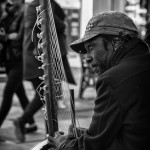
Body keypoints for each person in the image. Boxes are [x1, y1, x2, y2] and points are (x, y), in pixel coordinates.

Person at [39, 11, 150, 150]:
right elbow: (132, 129)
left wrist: (63, 144)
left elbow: (92, 147)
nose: (87, 58)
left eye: (91, 48)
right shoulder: (142, 63)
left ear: (115, 43)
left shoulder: (113, 79)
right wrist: (87, 133)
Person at [13, 0, 76, 142]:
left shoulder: (34, 6)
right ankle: (24, 121)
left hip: (36, 57)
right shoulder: (44, 4)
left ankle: (49, 135)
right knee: (48, 95)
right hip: (41, 58)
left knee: (47, 97)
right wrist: (63, 24)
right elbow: (56, 24)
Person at [0, 0, 36, 133]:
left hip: (19, 59)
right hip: (9, 58)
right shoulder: (10, 11)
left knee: (8, 91)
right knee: (20, 92)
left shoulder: (25, 11)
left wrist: (5, 37)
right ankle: (31, 123)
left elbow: (20, 37)